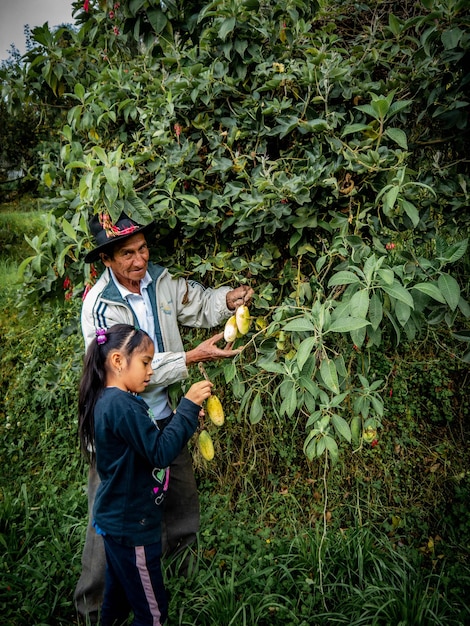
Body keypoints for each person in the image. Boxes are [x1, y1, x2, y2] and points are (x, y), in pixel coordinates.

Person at [75, 212, 253, 624]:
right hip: (120, 430)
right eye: (127, 254)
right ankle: (92, 603)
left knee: (180, 498)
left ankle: (181, 565)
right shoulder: (99, 307)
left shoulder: (160, 281)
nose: (140, 261)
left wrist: (229, 299)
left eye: (142, 249)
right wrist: (191, 359)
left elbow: (199, 302)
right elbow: (127, 370)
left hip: (161, 413)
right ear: (107, 259)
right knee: (111, 519)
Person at [78, 323, 213, 626]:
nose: (151, 371)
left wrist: (180, 418)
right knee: (152, 614)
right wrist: (189, 406)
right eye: (145, 362)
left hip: (118, 523)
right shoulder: (122, 405)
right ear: (117, 361)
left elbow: (145, 442)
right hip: (134, 530)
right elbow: (160, 452)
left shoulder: (113, 401)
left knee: (116, 599)